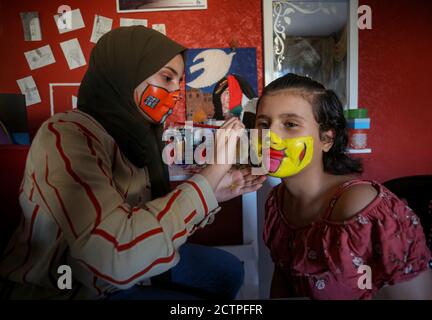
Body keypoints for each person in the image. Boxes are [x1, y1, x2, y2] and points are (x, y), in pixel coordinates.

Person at [0, 26, 266, 300]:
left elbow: (148, 223)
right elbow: (113, 259)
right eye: (167, 78)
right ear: (125, 74)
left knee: (229, 272)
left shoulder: (142, 137)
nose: (176, 92)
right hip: (71, 287)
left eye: (179, 80)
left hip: (123, 269)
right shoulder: (66, 135)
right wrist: (212, 172)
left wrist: (213, 191)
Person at [257, 73, 432, 300]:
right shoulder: (275, 203)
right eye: (263, 124)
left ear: (327, 139)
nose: (270, 136)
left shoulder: (361, 208)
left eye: (290, 124)